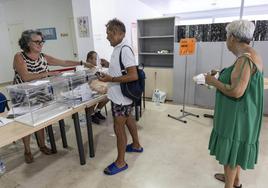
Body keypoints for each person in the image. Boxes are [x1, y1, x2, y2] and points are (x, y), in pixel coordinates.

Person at [13, 29, 92, 163]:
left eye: (41, 41)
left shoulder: (43, 56)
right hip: (23, 96)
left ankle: (42, 145)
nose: (40, 44)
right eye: (37, 41)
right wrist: (47, 74)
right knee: (26, 123)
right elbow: (26, 77)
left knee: (40, 121)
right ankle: (27, 150)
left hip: (40, 94)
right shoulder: (19, 57)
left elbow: (63, 62)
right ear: (27, 42)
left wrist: (81, 63)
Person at [205, 20, 263, 188]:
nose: (226, 40)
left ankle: (230, 185)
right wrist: (222, 74)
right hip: (244, 113)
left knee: (231, 151)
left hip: (236, 116)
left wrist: (212, 81)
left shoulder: (245, 60)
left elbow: (236, 91)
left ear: (233, 38)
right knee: (235, 149)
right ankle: (235, 181)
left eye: (227, 36)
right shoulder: (251, 55)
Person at [97, 18, 143, 175]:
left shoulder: (125, 49)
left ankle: (121, 162)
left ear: (121, 34)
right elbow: (121, 69)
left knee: (119, 128)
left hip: (121, 98)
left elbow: (133, 75)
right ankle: (136, 145)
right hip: (120, 96)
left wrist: (110, 79)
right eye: (107, 33)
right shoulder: (118, 48)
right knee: (128, 119)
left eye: (111, 33)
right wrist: (108, 65)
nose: (107, 36)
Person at [86, 51, 109, 124]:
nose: (97, 61)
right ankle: (91, 115)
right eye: (95, 59)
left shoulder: (95, 68)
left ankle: (97, 111)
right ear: (89, 59)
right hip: (88, 91)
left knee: (108, 95)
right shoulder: (82, 68)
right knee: (94, 97)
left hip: (96, 89)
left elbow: (99, 77)